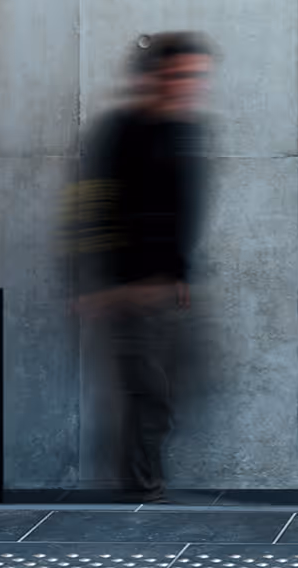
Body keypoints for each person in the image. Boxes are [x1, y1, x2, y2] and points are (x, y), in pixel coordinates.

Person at [71, 33, 215, 499]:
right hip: (125, 289)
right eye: (180, 74)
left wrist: (180, 272)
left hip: (163, 288)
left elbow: (182, 209)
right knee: (147, 396)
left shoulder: (184, 130)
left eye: (195, 76)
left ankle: (143, 485)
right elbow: (92, 205)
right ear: (155, 75)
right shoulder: (119, 132)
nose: (189, 84)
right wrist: (96, 282)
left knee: (167, 393)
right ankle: (141, 492)